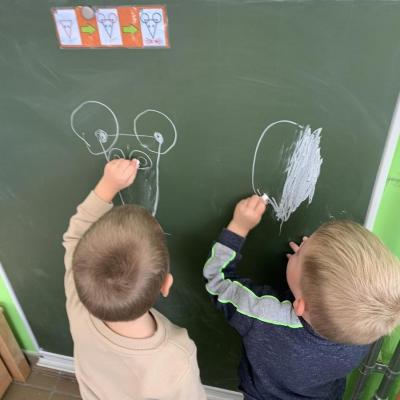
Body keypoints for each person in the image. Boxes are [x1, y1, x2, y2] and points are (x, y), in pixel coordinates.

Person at [203, 194, 400, 399]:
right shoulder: (366, 331)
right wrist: (305, 266)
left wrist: (238, 228)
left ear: (300, 306)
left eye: (300, 252)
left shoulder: (262, 315)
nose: (304, 241)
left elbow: (216, 280)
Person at [63, 159, 207, 400]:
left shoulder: (79, 303)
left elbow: (74, 237)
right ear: (166, 285)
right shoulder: (176, 356)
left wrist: (107, 186)